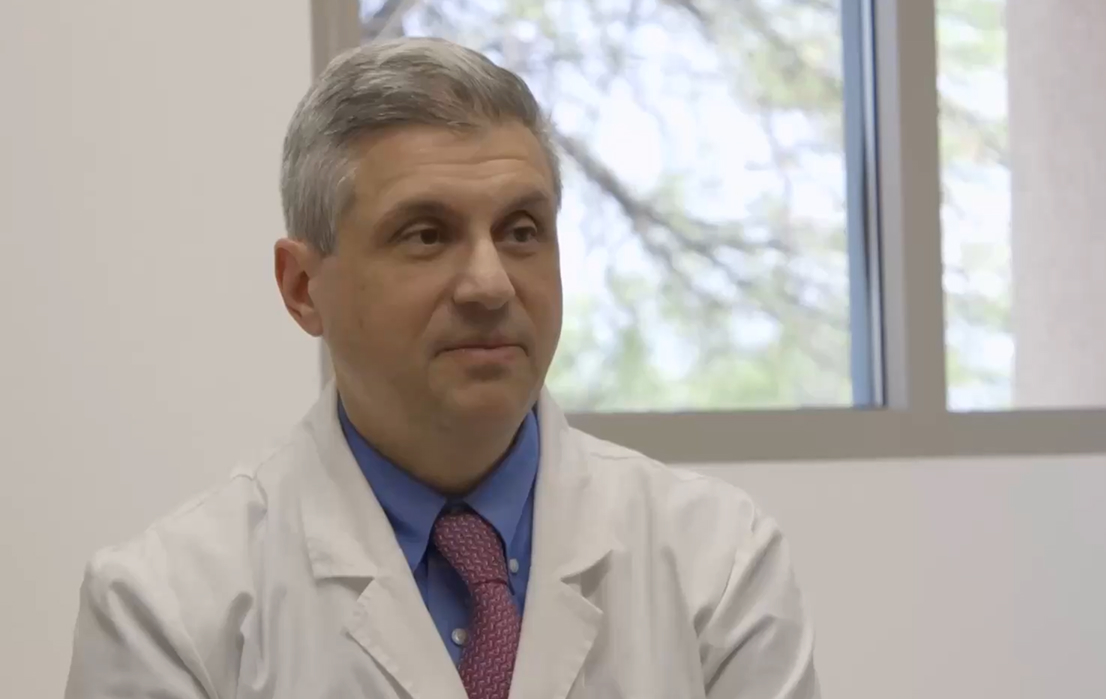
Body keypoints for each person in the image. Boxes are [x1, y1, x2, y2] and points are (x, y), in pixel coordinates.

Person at [63, 37, 820, 699]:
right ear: (303, 288)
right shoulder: (165, 606)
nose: (490, 284)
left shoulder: (717, 563)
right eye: (426, 235)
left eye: (522, 231)